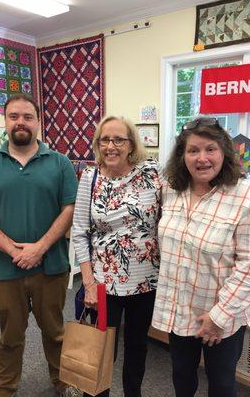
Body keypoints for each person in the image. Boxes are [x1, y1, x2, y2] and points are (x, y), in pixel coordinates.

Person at [152, 117, 250, 397]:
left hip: (221, 314)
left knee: (221, 384)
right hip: (179, 308)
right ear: (182, 156)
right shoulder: (171, 189)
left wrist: (219, 316)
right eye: (193, 150)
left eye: (210, 149)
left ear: (224, 153)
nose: (202, 158)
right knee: (182, 377)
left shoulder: (245, 196)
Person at [0, 94, 78, 397]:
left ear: (38, 121)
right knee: (9, 338)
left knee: (56, 332)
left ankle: (64, 383)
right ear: (4, 122)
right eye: (13, 116)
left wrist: (40, 248)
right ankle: (4, 390)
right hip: (3, 271)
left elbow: (69, 210)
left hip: (51, 267)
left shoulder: (60, 163)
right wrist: (14, 250)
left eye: (27, 116)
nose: (20, 122)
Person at [72, 116, 163, 397]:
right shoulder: (91, 176)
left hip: (145, 281)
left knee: (137, 347)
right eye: (105, 140)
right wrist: (87, 283)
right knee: (101, 350)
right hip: (103, 283)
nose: (111, 146)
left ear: (131, 144)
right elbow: (79, 230)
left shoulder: (153, 173)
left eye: (118, 140)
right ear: (98, 144)